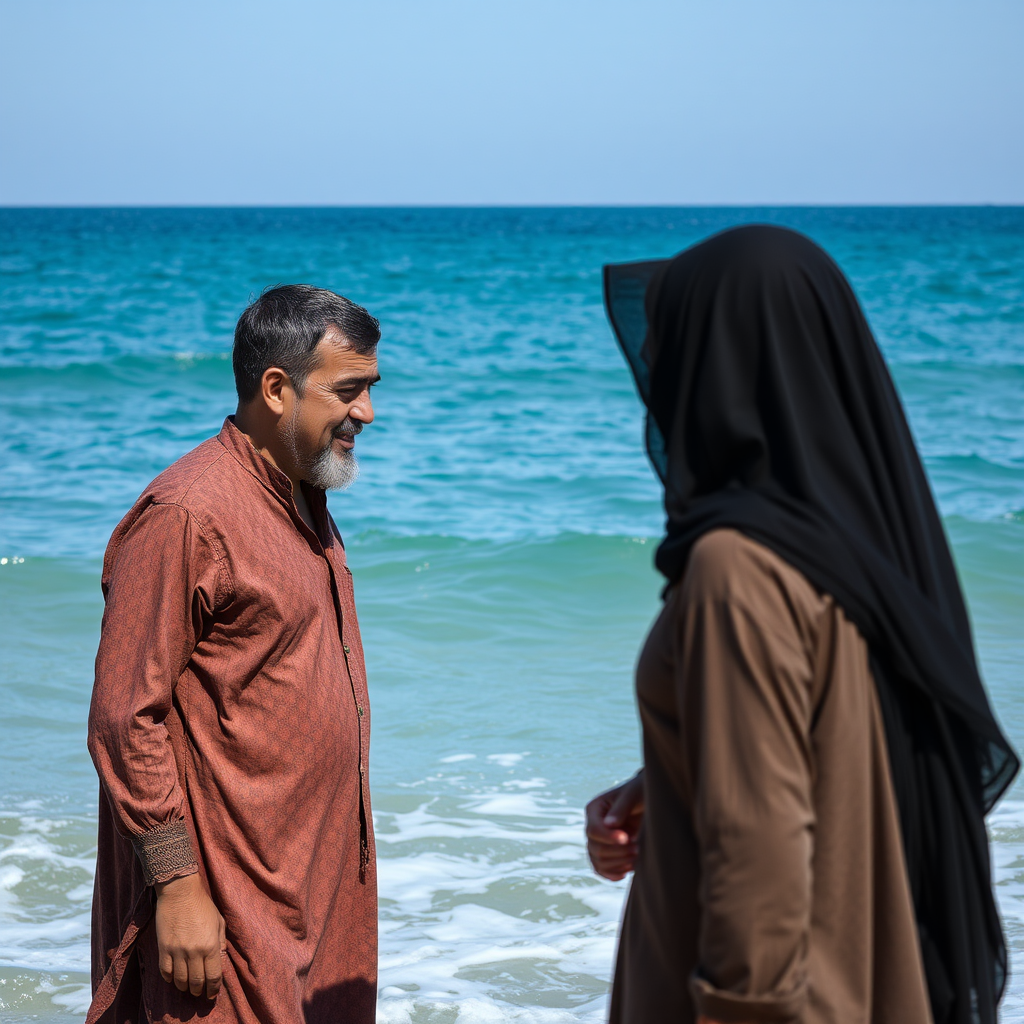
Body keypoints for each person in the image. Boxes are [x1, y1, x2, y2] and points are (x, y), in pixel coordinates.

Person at [586, 226, 1018, 1024]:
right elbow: (840, 739)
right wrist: (671, 774)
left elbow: (759, 862)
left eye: (674, 351)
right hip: (868, 977)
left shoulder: (733, 568)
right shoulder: (857, 552)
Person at [86, 285, 381, 1024]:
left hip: (309, 893)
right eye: (349, 391)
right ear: (277, 390)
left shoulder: (302, 497)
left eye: (371, 390)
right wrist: (179, 885)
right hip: (223, 904)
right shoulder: (188, 514)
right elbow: (126, 717)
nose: (368, 414)